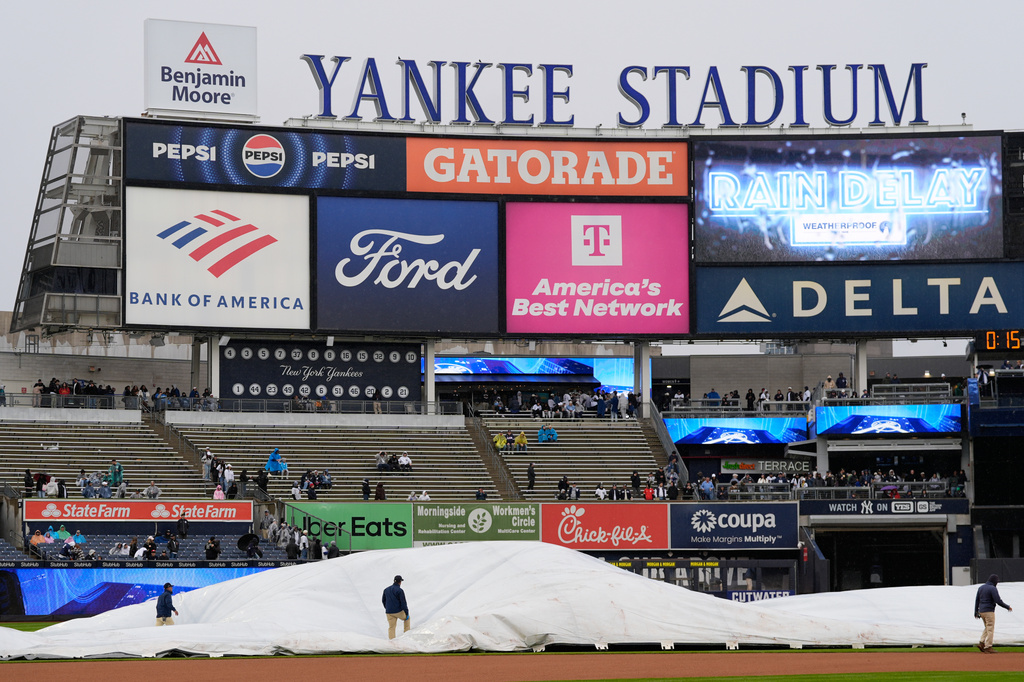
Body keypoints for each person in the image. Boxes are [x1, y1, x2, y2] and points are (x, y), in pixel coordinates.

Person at [975, 573, 1013, 652]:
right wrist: (1007, 607)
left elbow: (977, 600)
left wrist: (975, 611)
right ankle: (988, 646)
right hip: (989, 611)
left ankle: (981, 642)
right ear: (994, 581)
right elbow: (998, 601)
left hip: (981, 611)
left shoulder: (981, 588)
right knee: (990, 629)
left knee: (987, 627)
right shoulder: (992, 588)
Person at [382, 575, 410, 639]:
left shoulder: (386, 590)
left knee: (391, 627)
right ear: (400, 582)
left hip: (389, 612)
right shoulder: (400, 590)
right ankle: (407, 636)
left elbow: (383, 600)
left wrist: (387, 608)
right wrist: (407, 613)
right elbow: (403, 603)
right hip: (398, 612)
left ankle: (392, 642)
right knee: (407, 619)